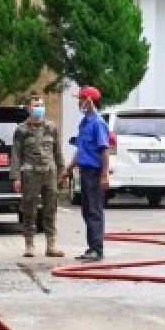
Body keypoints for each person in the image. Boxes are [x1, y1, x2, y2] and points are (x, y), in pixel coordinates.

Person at [12, 94, 65, 257]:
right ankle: (29, 244)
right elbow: (16, 155)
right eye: (36, 105)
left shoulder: (51, 127)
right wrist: (16, 177)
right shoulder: (21, 130)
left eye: (41, 104)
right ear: (29, 108)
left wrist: (63, 170)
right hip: (31, 174)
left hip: (50, 173)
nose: (39, 108)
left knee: (51, 209)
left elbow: (57, 151)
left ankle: (51, 245)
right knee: (29, 209)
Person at [61, 86, 109, 261]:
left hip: (95, 172)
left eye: (81, 99)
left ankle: (97, 249)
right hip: (84, 172)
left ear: (89, 101)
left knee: (94, 211)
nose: (79, 103)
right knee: (86, 210)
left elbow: (104, 151)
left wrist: (104, 175)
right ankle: (91, 247)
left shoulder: (98, 123)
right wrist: (68, 168)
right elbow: (80, 150)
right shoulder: (84, 123)